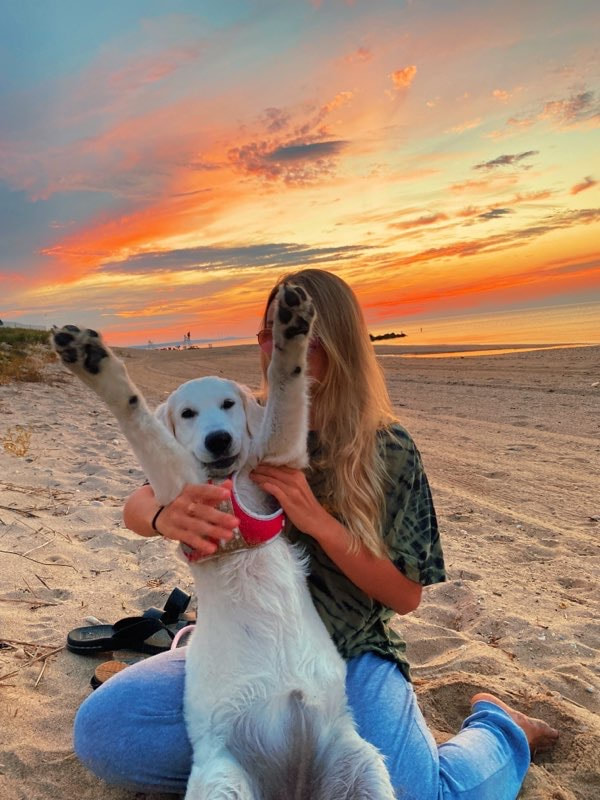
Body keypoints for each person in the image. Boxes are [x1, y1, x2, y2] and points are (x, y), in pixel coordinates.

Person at [73, 269, 558, 798]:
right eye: (269, 337)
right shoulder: (243, 421)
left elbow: (405, 595)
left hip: (349, 653)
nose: (279, 355)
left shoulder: (387, 449)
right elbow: (139, 504)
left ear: (340, 345)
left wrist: (318, 522)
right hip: (241, 649)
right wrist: (166, 515)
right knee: (107, 735)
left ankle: (500, 729)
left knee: (417, 793)